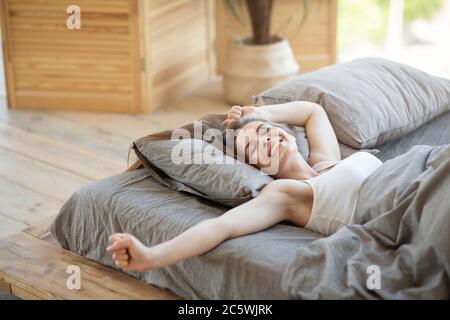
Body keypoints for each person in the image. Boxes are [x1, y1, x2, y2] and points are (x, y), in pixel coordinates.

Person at [107, 101, 382, 271]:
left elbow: (313, 111)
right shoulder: (286, 194)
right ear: (257, 168)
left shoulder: (326, 161)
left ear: (288, 134)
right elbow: (220, 227)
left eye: (266, 131)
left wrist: (259, 112)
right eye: (253, 146)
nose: (266, 139)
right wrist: (151, 257)